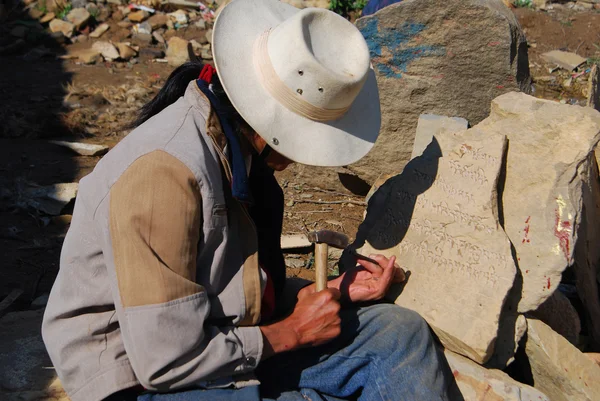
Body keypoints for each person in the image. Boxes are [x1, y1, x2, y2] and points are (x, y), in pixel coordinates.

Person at [42, 1, 455, 400]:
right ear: (271, 124)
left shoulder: (237, 152)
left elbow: (224, 284)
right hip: (141, 375)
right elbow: (165, 360)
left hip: (216, 334)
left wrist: (334, 292)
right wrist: (293, 331)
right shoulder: (163, 176)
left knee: (400, 335)